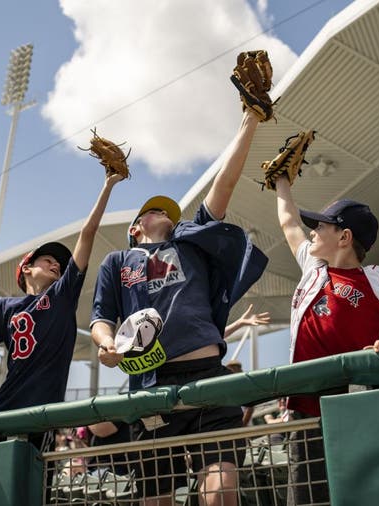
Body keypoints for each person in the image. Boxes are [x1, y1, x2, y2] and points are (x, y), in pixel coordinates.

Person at [90, 108, 267, 506]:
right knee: (157, 499)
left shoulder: (191, 243)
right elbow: (101, 318)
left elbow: (226, 182)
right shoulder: (117, 261)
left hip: (208, 377)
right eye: (155, 211)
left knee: (221, 493)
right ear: (136, 228)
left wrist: (250, 119)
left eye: (169, 212)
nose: (166, 215)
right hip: (150, 384)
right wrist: (106, 344)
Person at [0, 171, 124, 453]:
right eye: (48, 259)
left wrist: (107, 187)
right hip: (3, 414)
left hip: (42, 419)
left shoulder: (62, 295)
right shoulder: (5, 307)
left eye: (60, 264)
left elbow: (87, 234)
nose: (57, 265)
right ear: (26, 268)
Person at [274, 176, 379, 505]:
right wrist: (281, 182)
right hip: (305, 410)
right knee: (306, 498)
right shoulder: (312, 267)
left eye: (322, 226)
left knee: (362, 496)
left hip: (357, 409)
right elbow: (287, 221)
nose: (313, 232)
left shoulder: (378, 278)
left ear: (345, 237)